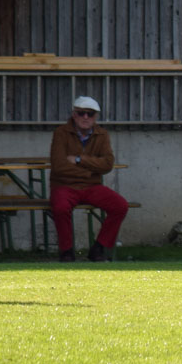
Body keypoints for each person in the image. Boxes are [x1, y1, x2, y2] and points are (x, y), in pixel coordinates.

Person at [49, 95, 129, 262]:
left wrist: (80, 160)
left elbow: (107, 164)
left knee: (120, 206)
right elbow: (58, 166)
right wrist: (90, 171)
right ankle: (66, 251)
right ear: (74, 115)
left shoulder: (102, 134)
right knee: (60, 208)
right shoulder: (61, 133)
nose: (85, 117)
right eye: (81, 113)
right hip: (65, 185)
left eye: (90, 114)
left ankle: (99, 247)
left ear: (96, 117)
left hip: (92, 186)